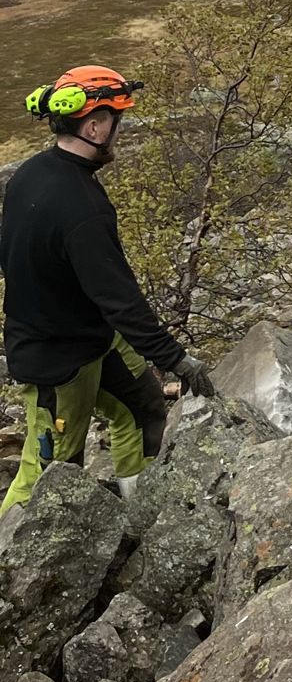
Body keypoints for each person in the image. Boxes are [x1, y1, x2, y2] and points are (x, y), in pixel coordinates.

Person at [1, 65, 213, 516]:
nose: (120, 130)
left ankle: (138, 516)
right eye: (117, 120)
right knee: (48, 476)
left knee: (143, 410)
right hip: (56, 361)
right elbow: (120, 298)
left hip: (87, 335)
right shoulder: (83, 208)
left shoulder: (30, 174)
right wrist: (175, 358)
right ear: (94, 125)